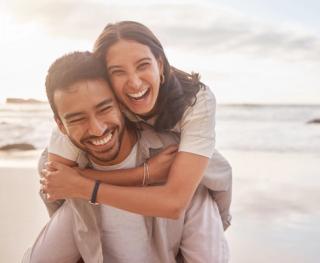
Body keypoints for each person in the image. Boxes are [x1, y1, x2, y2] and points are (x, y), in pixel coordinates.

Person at [24, 51, 229, 262]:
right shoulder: (64, 174)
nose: (96, 129)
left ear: (122, 104)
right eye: (77, 119)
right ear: (60, 125)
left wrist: (143, 174)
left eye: (104, 108)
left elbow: (221, 179)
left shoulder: (177, 162)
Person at [42, 21, 232, 229]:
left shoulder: (197, 101)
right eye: (118, 71)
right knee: (45, 165)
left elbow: (174, 202)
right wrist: (143, 173)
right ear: (105, 78)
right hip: (138, 151)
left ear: (159, 65)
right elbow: (56, 178)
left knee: (216, 169)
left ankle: (221, 222)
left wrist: (85, 186)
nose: (134, 83)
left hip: (180, 155)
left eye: (143, 65)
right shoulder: (98, 101)